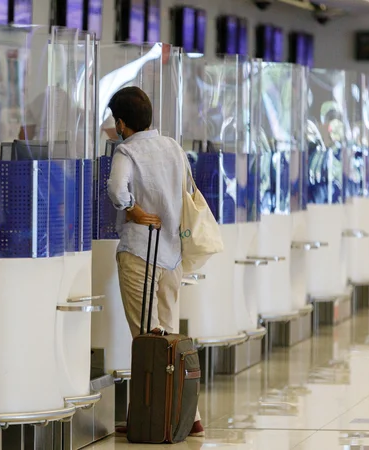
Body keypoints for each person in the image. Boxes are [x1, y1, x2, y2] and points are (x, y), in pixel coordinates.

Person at [106, 86, 204, 437]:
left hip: (140, 253)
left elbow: (117, 190)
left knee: (147, 339)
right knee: (170, 335)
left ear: (121, 122)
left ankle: (149, 415)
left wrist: (132, 209)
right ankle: (186, 415)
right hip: (172, 255)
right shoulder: (173, 147)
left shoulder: (127, 151)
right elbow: (187, 191)